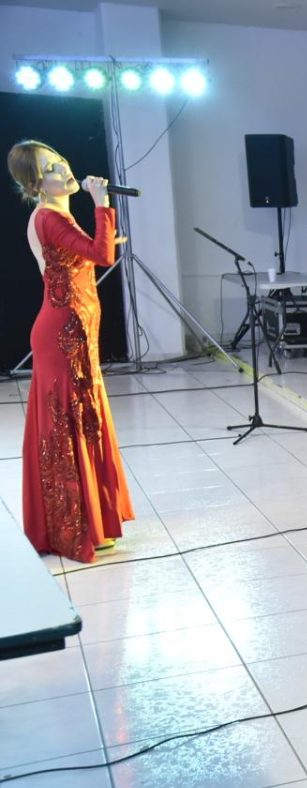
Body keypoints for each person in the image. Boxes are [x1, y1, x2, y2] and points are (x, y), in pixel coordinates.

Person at [7, 139, 134, 562]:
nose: (64, 169)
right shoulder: (47, 217)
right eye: (51, 168)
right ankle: (72, 527)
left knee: (84, 420)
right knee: (70, 426)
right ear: (36, 184)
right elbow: (100, 255)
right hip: (63, 334)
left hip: (76, 330)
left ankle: (91, 521)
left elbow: (90, 256)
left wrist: (105, 232)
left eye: (61, 160)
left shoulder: (55, 215)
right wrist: (101, 204)